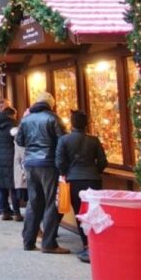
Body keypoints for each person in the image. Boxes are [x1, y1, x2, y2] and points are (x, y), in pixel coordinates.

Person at [16, 91, 68, 254]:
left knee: (34, 201)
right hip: (48, 163)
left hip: (30, 162)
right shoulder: (53, 118)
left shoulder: (26, 120)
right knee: (51, 202)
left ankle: (28, 241)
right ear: (50, 104)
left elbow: (19, 140)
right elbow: (63, 141)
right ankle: (49, 243)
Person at [56, 110, 108, 263]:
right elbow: (103, 161)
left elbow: (59, 161)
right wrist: (95, 171)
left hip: (74, 180)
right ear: (86, 124)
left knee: (80, 213)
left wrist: (65, 173)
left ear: (71, 124)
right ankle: (95, 243)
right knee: (94, 213)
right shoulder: (94, 140)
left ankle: (86, 245)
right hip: (93, 180)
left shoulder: (64, 140)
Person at [0, 105, 22, 221]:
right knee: (13, 186)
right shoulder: (14, 125)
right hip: (12, 157)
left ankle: (4, 212)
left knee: (1, 186)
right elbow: (19, 141)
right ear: (12, 114)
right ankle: (17, 212)